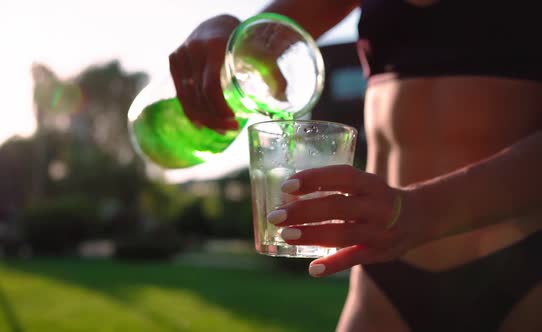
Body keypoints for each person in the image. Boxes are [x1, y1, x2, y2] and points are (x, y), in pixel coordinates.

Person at [169, 1, 542, 331]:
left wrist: (419, 210)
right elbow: (261, 42)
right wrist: (228, 35)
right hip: (384, 271)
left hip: (522, 268)